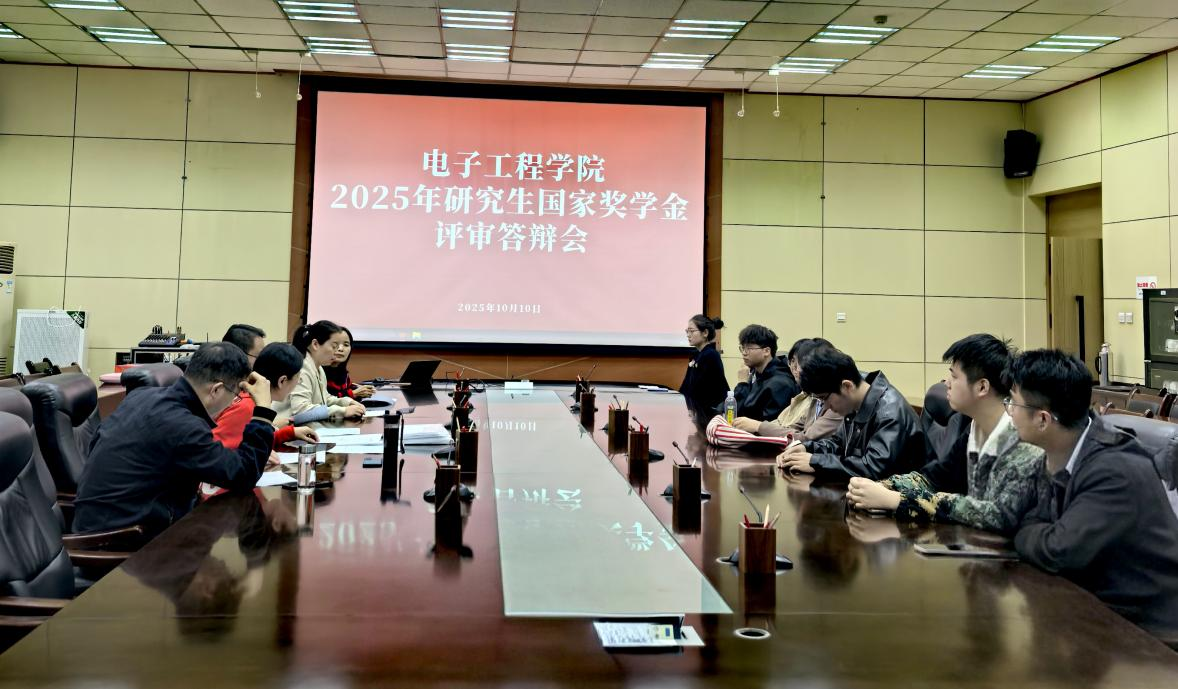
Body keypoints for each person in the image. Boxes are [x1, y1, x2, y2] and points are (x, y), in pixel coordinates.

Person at [1008, 349, 1178, 644]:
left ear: (1043, 419)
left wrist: (1023, 533)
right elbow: (1031, 516)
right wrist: (1031, 528)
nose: (1009, 412)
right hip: (1093, 610)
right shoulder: (1059, 450)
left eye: (1014, 403)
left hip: (1150, 634)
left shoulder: (1114, 469)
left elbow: (1058, 551)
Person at [845, 334, 1046, 535]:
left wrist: (896, 500)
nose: (946, 383)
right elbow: (934, 478)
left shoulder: (1021, 439)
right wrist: (881, 487)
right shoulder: (974, 429)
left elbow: (995, 515)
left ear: (982, 387)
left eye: (954, 376)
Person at [73, 342, 276, 537]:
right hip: (118, 540)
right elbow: (243, 475)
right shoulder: (183, 426)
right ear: (216, 390)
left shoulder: (142, 395)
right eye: (235, 396)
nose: (233, 403)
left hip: (99, 522)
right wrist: (263, 412)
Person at [778, 347, 923, 479]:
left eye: (825, 398)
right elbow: (838, 443)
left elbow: (874, 468)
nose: (826, 406)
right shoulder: (855, 401)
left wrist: (815, 462)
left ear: (847, 386)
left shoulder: (889, 414)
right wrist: (806, 448)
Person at [732, 337, 842, 442]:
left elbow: (806, 438)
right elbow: (791, 427)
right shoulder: (813, 396)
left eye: (799, 364)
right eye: (792, 362)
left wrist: (758, 426)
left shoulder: (836, 400)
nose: (795, 369)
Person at [213, 343, 319, 450]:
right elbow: (216, 452)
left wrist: (289, 433)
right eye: (298, 378)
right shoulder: (248, 407)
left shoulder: (252, 401)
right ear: (282, 381)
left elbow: (254, 440)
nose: (299, 382)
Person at [274, 320, 366, 424]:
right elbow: (301, 411)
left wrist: (347, 402)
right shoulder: (301, 367)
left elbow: (325, 399)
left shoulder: (319, 367)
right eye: (334, 346)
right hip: (286, 429)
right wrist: (343, 411)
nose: (337, 351)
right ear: (315, 344)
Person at [723, 324, 798, 422]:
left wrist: (742, 384)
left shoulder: (780, 384)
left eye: (749, 348)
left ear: (766, 351)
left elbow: (766, 424)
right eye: (742, 348)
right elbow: (729, 410)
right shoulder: (755, 373)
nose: (744, 353)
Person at [679, 315, 728, 415]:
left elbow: (703, 390)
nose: (688, 335)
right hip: (697, 410)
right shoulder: (697, 355)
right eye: (687, 331)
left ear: (705, 333)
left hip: (710, 412)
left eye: (692, 331)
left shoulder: (710, 355)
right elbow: (686, 386)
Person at [324, 327, 375, 401]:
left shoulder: (341, 372)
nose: (341, 349)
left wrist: (363, 389)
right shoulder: (318, 372)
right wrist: (353, 393)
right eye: (335, 344)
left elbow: (348, 387)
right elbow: (326, 400)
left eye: (346, 344)